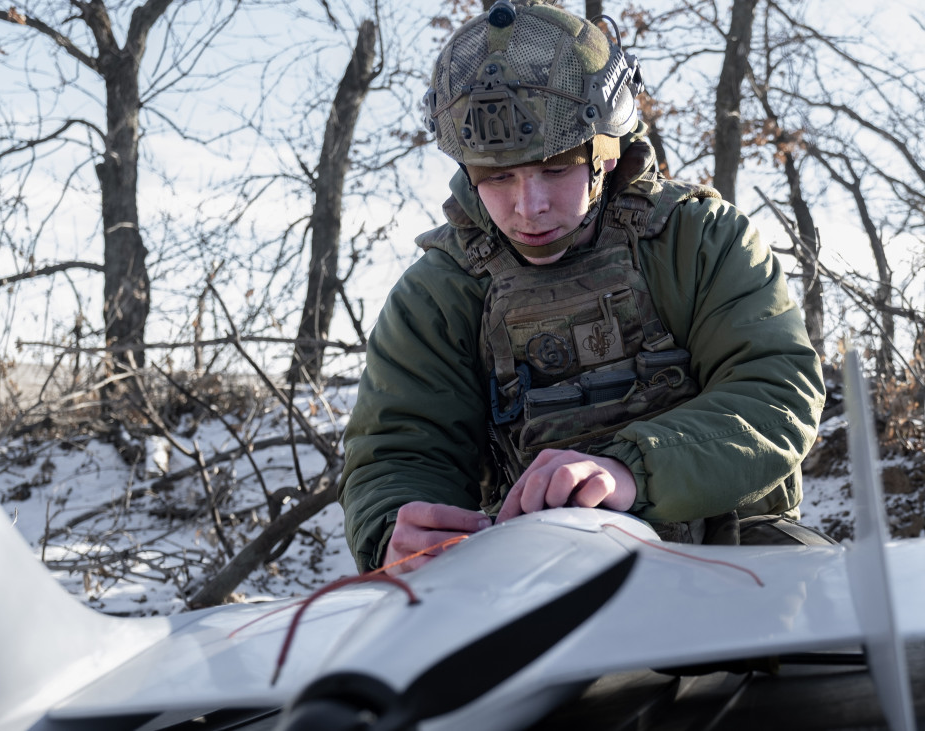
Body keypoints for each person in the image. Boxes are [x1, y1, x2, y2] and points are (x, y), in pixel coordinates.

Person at [340, 0, 828, 575]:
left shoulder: (701, 241)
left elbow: (774, 393)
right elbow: (401, 450)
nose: (530, 207)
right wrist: (397, 529)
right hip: (533, 577)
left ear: (605, 152)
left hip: (734, 559)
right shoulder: (438, 295)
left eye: (554, 168)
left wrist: (631, 472)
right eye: (497, 177)